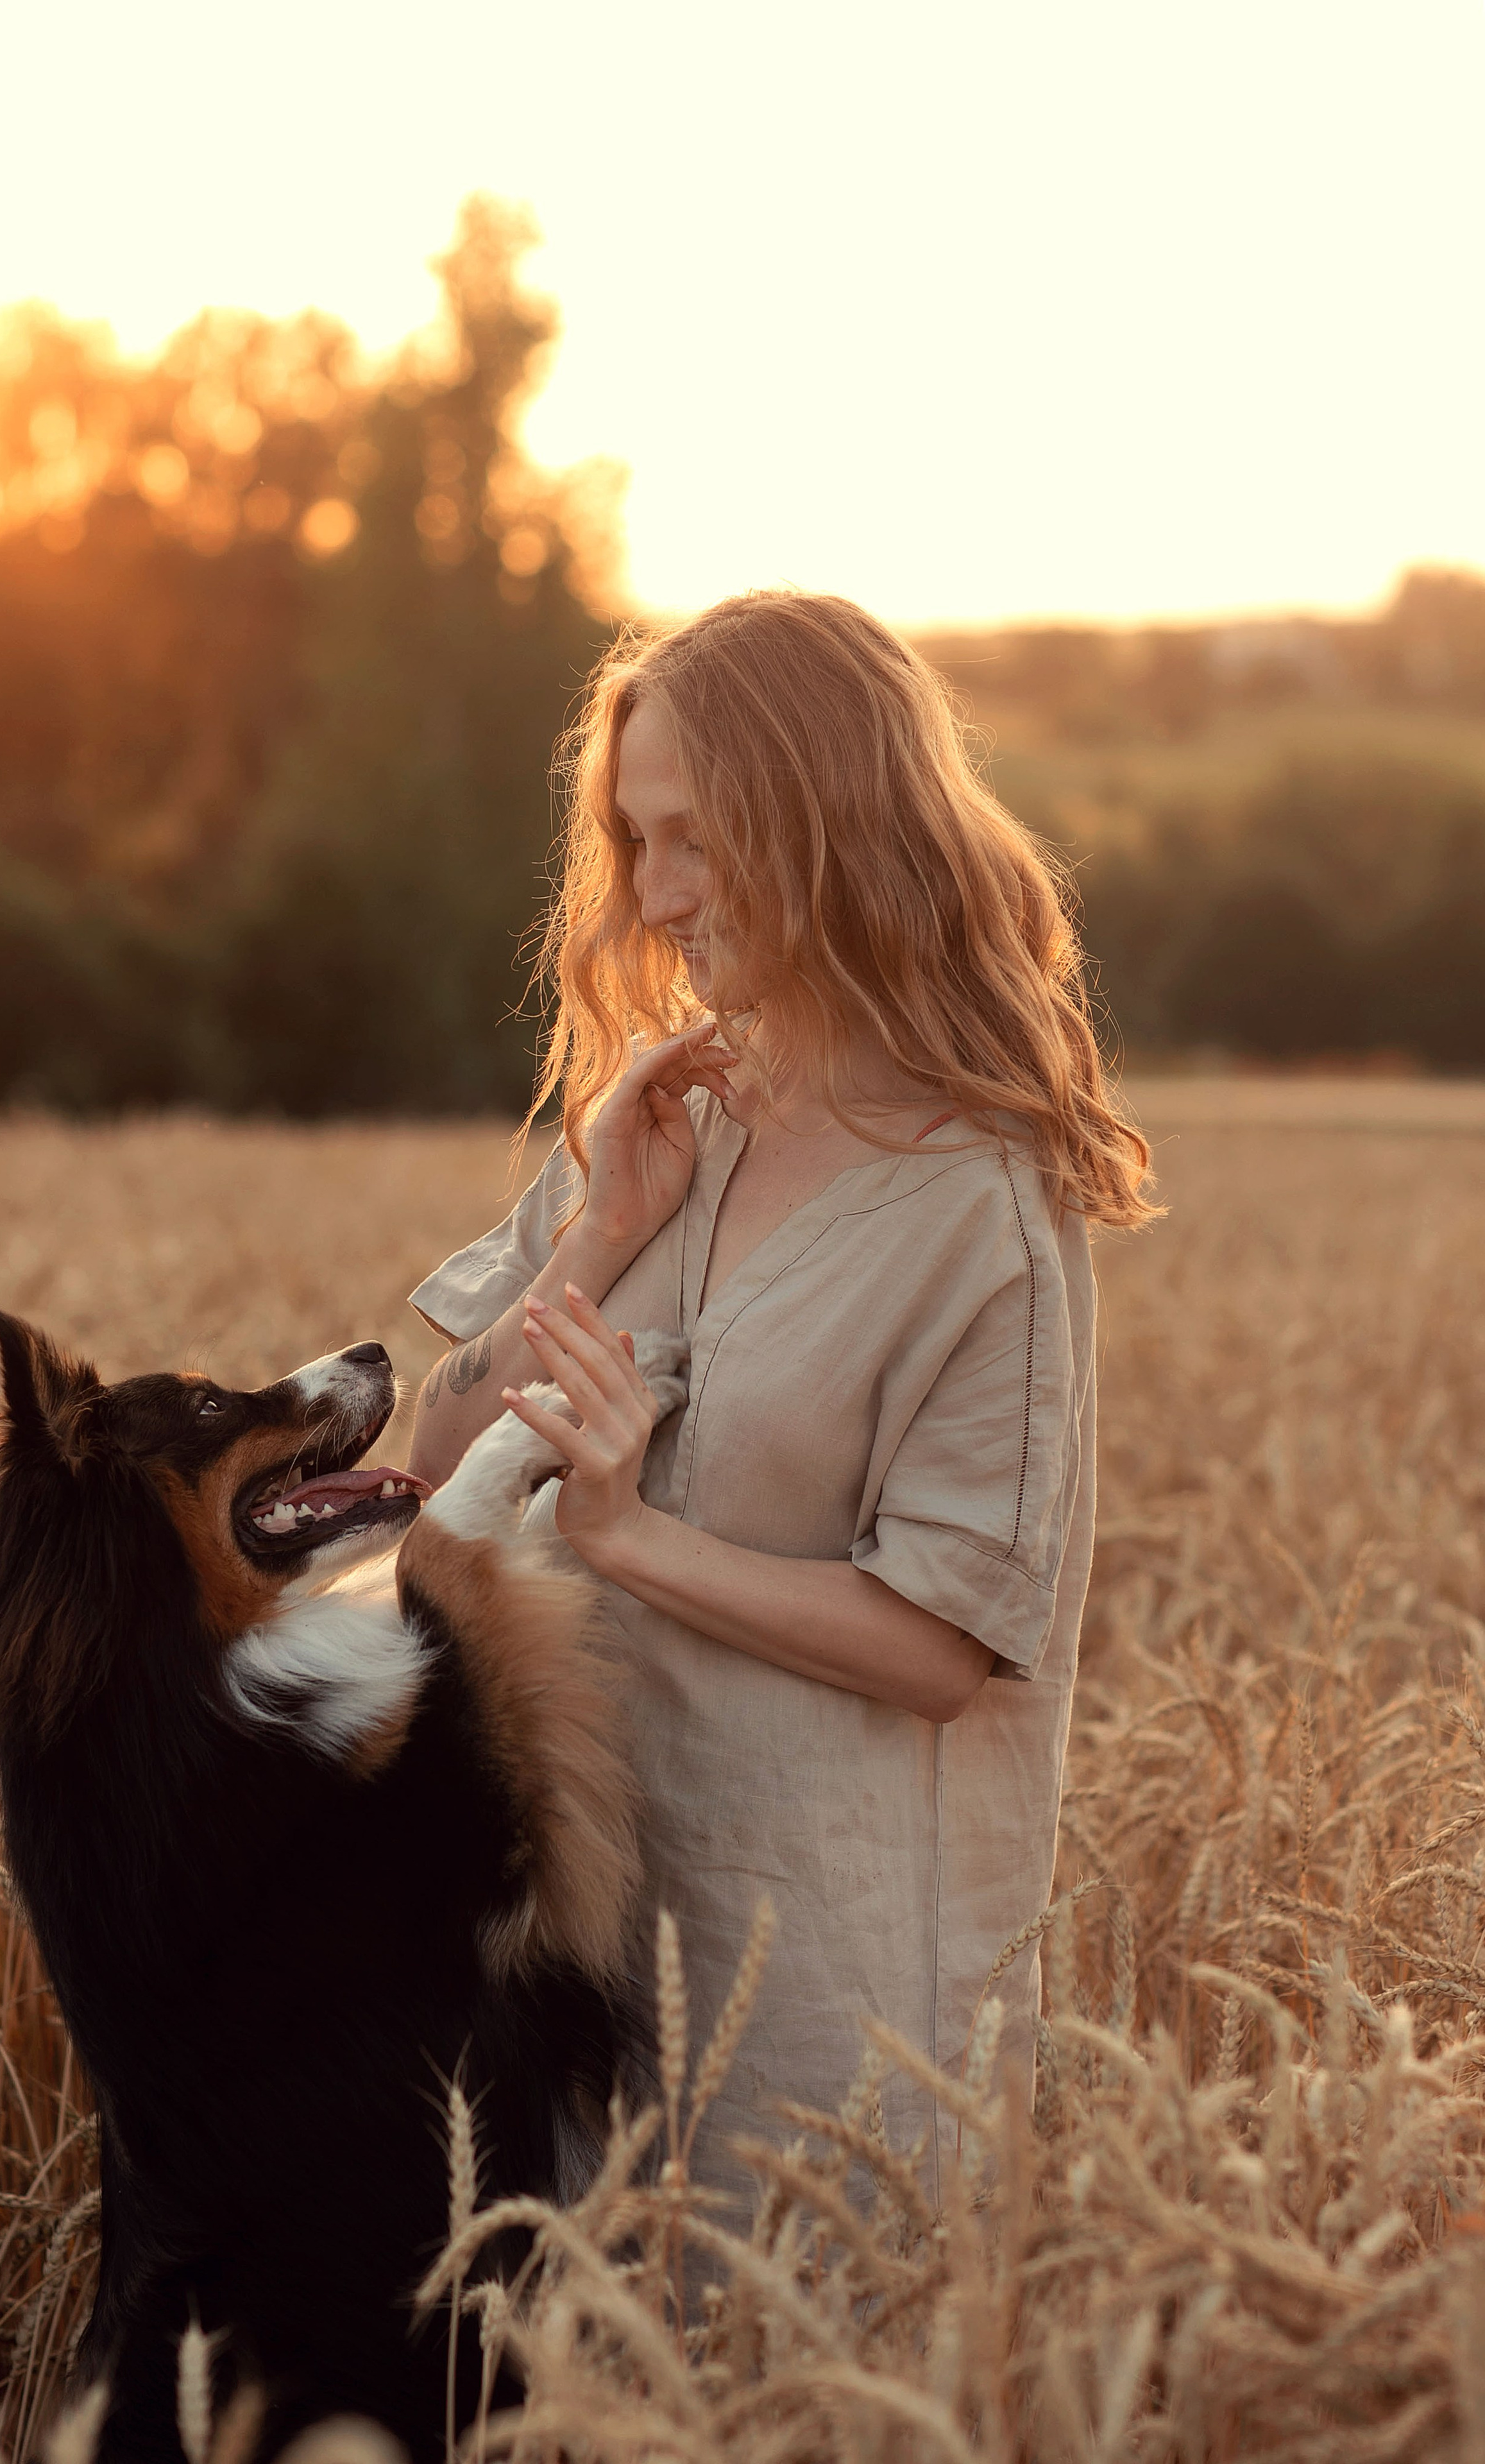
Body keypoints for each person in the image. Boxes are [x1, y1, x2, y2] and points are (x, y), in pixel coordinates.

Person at [406, 590, 1155, 2199]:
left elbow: (945, 1646)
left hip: (837, 2022)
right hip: (589, 1980)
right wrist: (603, 1229)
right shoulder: (674, 1124)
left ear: (823, 820)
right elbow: (442, 1460)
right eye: (633, 842)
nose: (657, 896)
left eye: (697, 839)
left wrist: (628, 1537)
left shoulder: (979, 1206)